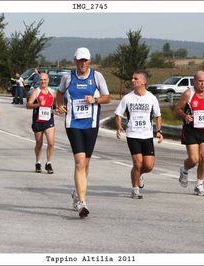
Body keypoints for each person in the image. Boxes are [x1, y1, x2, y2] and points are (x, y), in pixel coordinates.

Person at [56, 47, 110, 218]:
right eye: (80, 60)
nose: (83, 63)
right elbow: (59, 93)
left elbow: (107, 97)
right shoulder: (67, 77)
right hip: (73, 124)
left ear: (90, 61)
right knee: (79, 162)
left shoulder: (97, 76)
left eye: (85, 60)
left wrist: (95, 100)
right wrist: (59, 105)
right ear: (75, 61)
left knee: (85, 164)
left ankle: (77, 192)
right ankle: (82, 202)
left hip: (91, 124)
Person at [115, 71, 163, 199]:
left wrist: (159, 131)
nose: (132, 80)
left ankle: (139, 174)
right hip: (132, 134)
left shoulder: (151, 98)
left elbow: (158, 116)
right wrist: (119, 127)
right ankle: (135, 189)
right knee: (137, 163)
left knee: (148, 166)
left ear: (143, 82)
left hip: (147, 135)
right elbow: (118, 114)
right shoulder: (127, 98)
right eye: (132, 78)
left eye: (135, 78)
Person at [174, 70, 204, 196]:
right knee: (194, 160)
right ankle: (184, 169)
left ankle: (199, 185)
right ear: (194, 82)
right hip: (191, 130)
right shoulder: (188, 94)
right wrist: (185, 116)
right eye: (200, 81)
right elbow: (177, 108)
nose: (202, 84)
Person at [26, 73, 55, 174]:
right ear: (39, 81)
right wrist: (38, 104)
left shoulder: (52, 91)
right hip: (38, 120)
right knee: (39, 143)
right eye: (41, 80)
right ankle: (38, 162)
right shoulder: (36, 91)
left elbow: (56, 104)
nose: (43, 82)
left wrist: (59, 109)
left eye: (45, 80)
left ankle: (48, 163)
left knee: (51, 142)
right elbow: (28, 105)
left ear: (48, 80)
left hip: (48, 120)